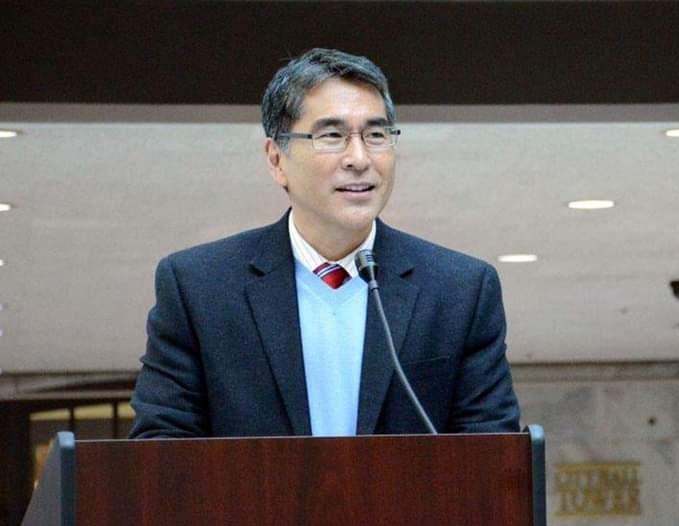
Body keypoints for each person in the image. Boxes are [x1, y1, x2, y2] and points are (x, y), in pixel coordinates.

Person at [129, 48, 519, 438]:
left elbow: (492, 450)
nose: (359, 158)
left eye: (376, 135)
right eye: (332, 135)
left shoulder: (460, 290)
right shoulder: (199, 287)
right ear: (276, 159)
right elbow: (161, 447)